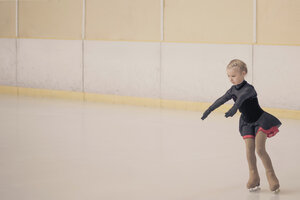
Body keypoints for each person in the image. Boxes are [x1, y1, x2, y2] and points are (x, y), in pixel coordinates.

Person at [201, 59, 281, 193]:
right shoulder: (232, 90)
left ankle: (271, 176)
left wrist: (233, 109)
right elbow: (221, 99)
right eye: (228, 76)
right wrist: (209, 109)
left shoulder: (249, 89)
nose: (230, 79)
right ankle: (253, 176)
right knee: (249, 150)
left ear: (243, 73)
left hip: (260, 120)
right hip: (246, 122)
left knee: (260, 149)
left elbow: (241, 99)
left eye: (233, 76)